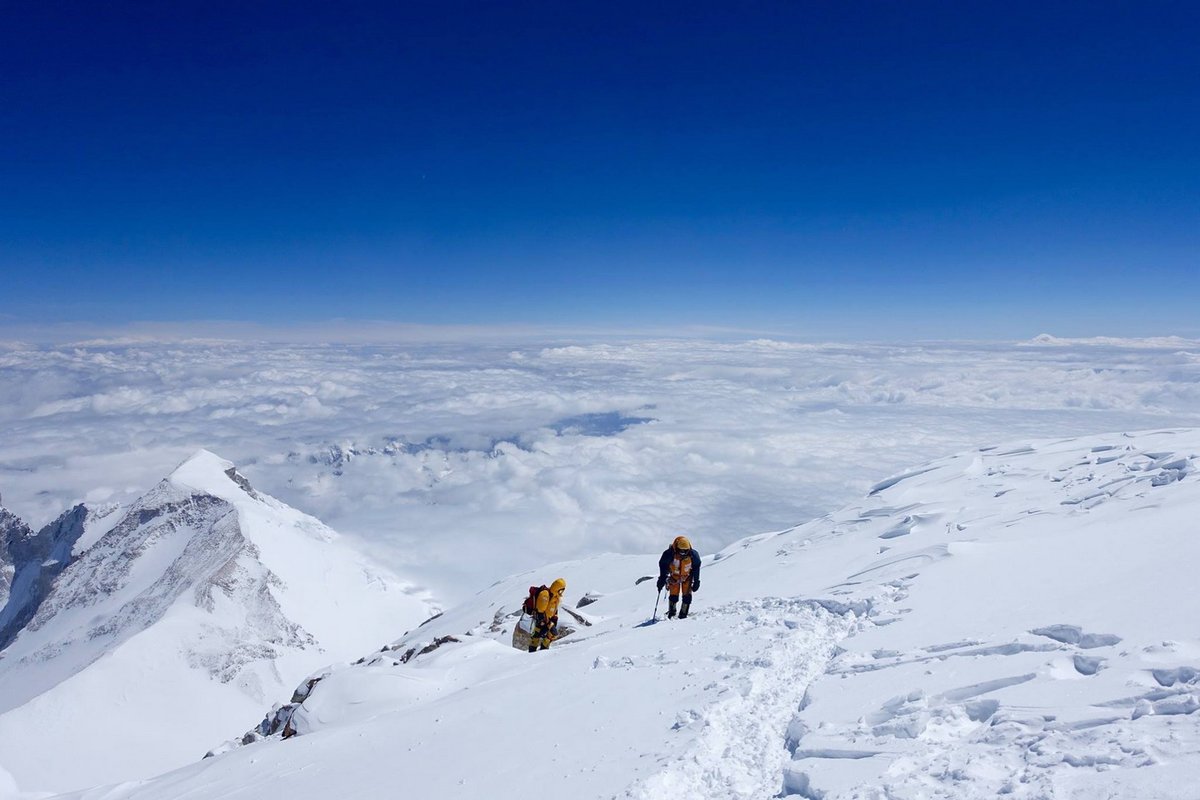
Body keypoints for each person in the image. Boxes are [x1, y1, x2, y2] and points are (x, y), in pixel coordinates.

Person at [656, 535, 700, 619]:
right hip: (674, 577)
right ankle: (672, 613)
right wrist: (662, 578)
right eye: (681, 550)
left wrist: (697, 581)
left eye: (685, 551)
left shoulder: (693, 555)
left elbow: (696, 567)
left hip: (687, 576)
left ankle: (683, 614)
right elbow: (663, 565)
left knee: (687, 595)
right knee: (673, 595)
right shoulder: (669, 554)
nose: (683, 552)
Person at [529, 577, 567, 651]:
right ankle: (534, 652)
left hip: (547, 620)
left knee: (545, 635)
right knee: (538, 636)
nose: (562, 592)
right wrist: (547, 624)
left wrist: (554, 620)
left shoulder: (556, 597)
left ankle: (543, 650)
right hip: (541, 620)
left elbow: (554, 610)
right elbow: (540, 611)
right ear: (558, 588)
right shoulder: (545, 595)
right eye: (562, 589)